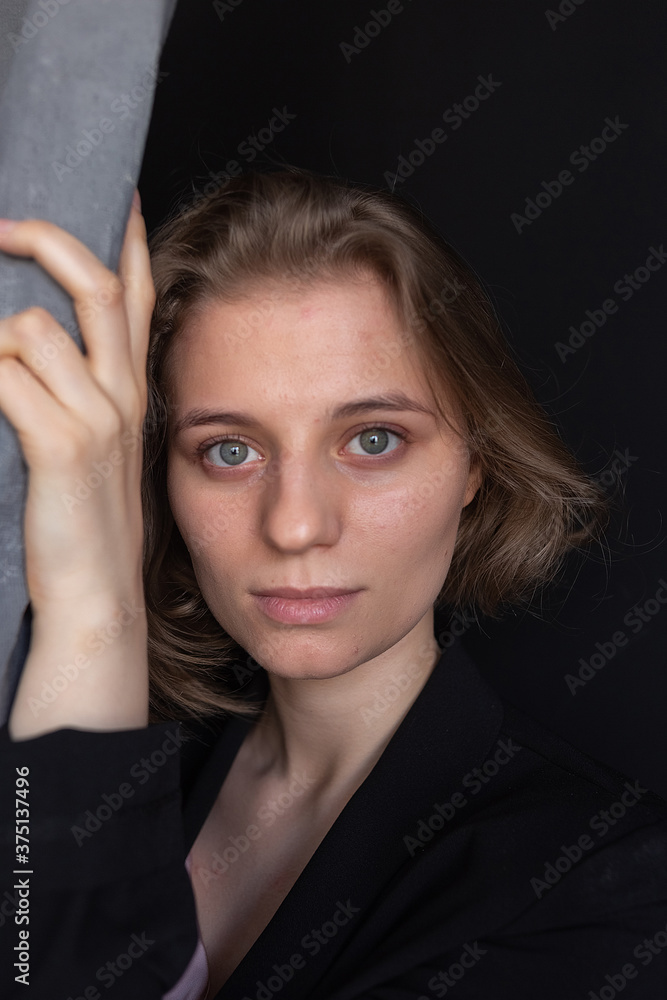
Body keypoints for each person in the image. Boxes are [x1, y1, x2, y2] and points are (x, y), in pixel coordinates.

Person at [0, 170, 665, 1000]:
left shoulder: (600, 882)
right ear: (156, 477)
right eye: (229, 450)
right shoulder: (77, 776)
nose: (296, 525)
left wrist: (96, 606)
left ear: (474, 463)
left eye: (374, 439)